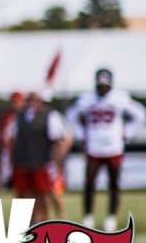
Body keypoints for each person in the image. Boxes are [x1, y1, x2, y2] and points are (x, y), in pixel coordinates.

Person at [65, 68, 146, 230]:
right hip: (93, 147)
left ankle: (111, 217)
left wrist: (127, 132)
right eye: (100, 86)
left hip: (114, 147)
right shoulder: (86, 99)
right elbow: (70, 115)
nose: (103, 89)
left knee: (114, 183)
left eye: (105, 86)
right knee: (89, 183)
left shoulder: (120, 98)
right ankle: (88, 217)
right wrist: (82, 134)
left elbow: (140, 115)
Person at [12, 91, 72, 223]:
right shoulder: (20, 116)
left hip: (43, 161)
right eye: (30, 100)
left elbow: (61, 138)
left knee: (45, 192)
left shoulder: (50, 115)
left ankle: (50, 218)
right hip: (23, 160)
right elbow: (14, 139)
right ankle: (31, 220)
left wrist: (57, 158)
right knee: (24, 192)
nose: (32, 103)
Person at [0, 90, 24, 189]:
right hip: (8, 149)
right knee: (7, 172)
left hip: (22, 150)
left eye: (16, 102)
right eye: (13, 102)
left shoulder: (25, 115)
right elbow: (1, 132)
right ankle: (7, 187)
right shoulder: (6, 116)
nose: (14, 104)